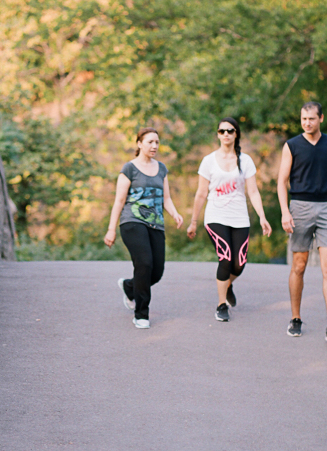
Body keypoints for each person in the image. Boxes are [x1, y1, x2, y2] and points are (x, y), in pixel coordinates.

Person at [277, 101, 327, 341]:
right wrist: (285, 212)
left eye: (311, 118)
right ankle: (296, 318)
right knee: (299, 266)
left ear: (321, 118)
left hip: (326, 208)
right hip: (299, 207)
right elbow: (281, 181)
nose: (307, 123)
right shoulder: (292, 145)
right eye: (303, 119)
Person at [186, 117, 272, 322]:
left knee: (239, 263)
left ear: (236, 134)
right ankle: (221, 304)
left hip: (239, 217)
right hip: (215, 216)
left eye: (230, 131)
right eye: (222, 131)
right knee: (225, 258)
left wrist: (262, 217)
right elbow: (200, 193)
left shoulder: (246, 161)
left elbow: (253, 191)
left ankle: (228, 284)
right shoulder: (208, 161)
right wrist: (193, 221)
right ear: (217, 134)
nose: (226, 134)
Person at [104, 127, 183, 329]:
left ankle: (129, 286)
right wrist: (111, 229)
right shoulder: (129, 169)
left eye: (157, 142)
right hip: (132, 222)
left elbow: (166, 198)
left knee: (156, 272)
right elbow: (119, 201)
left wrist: (174, 213)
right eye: (150, 142)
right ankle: (141, 314)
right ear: (139, 144)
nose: (154, 146)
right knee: (144, 263)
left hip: (156, 223)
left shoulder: (162, 169)